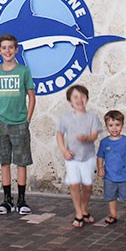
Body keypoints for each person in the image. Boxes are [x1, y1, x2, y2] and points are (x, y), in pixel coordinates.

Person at [0, 33, 36, 215]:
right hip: (0, 124)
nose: (7, 51)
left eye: (11, 47)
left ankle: (22, 200)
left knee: (21, 162)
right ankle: (7, 200)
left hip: (20, 123)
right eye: (4, 48)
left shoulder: (24, 71)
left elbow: (31, 96)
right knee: (4, 162)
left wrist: (27, 119)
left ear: (16, 50)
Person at [56, 84, 101, 228]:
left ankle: (84, 208)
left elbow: (94, 134)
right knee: (74, 184)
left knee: (87, 186)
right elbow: (59, 134)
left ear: (86, 99)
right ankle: (78, 213)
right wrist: (64, 150)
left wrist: (87, 138)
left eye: (82, 96)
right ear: (70, 101)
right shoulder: (65, 118)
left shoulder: (92, 117)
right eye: (75, 97)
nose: (79, 100)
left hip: (87, 157)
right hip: (72, 157)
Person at [96, 109, 126, 226]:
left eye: (117, 125)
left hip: (124, 175)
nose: (114, 128)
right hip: (109, 176)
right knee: (111, 197)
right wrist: (100, 168)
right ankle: (113, 215)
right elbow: (100, 156)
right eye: (111, 125)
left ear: (122, 125)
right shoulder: (104, 142)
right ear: (106, 126)